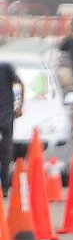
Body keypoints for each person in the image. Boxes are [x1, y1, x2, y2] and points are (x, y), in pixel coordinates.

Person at [0, 61, 23, 197]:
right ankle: (5, 188)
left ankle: (5, 187)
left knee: (7, 153)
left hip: (7, 116)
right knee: (7, 152)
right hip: (7, 116)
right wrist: (20, 106)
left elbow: (20, 84)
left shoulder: (6, 68)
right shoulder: (6, 68)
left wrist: (19, 105)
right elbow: (20, 84)